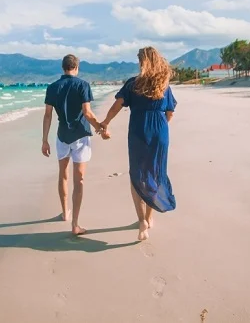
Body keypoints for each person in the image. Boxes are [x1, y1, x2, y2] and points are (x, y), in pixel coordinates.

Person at [100, 46, 177, 241]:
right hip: (160, 132)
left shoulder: (133, 84)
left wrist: (105, 123)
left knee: (137, 175)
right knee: (155, 174)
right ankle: (149, 219)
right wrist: (159, 129)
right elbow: (170, 113)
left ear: (142, 62)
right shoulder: (164, 85)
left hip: (138, 131)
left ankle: (141, 220)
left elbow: (116, 106)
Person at [42, 54, 104, 235]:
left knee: (63, 175)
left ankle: (64, 212)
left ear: (63, 68)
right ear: (76, 68)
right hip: (81, 137)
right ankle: (75, 224)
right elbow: (87, 112)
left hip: (62, 136)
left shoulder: (52, 87)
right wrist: (101, 128)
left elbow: (48, 115)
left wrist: (44, 140)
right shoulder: (83, 85)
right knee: (79, 180)